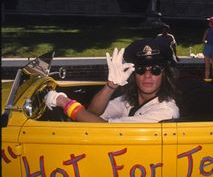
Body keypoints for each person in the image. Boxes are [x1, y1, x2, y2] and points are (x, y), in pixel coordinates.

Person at [45, 39, 180, 123]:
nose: (147, 75)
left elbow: (103, 128)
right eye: (140, 69)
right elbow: (92, 114)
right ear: (134, 74)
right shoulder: (130, 100)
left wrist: (64, 102)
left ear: (164, 75)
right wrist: (110, 86)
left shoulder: (165, 111)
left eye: (155, 70)